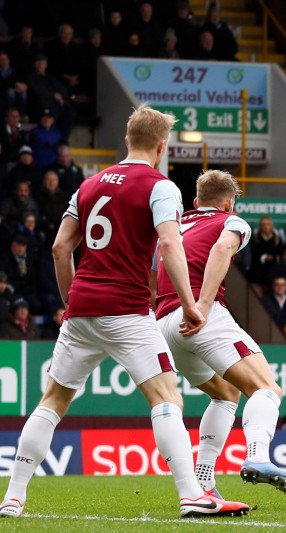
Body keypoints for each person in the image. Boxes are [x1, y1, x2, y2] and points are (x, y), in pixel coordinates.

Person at [0, 106, 248, 518]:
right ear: (161, 145)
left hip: (82, 310)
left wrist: (71, 301)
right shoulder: (160, 186)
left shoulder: (88, 185)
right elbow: (170, 246)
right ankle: (192, 495)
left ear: (126, 140)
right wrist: (190, 304)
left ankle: (13, 497)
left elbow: (61, 248)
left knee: (53, 401)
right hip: (128, 311)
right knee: (165, 395)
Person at [153, 169, 286, 496]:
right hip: (198, 316)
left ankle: (203, 479)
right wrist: (202, 307)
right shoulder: (231, 221)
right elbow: (222, 250)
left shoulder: (175, 226)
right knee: (267, 389)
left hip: (164, 323)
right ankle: (258, 457)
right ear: (229, 202)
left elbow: (157, 268)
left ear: (195, 201)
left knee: (225, 394)